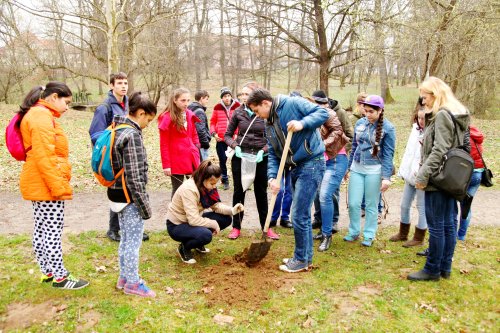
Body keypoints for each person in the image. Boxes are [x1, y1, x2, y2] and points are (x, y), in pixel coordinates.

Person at [247, 88, 328, 273]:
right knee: (302, 215)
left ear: (266, 103)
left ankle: (299, 259)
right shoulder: (269, 124)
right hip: (295, 167)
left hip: (312, 162)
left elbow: (323, 112)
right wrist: (272, 177)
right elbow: (275, 155)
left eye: (257, 111)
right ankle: (305, 258)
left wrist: (302, 123)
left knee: (299, 215)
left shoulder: (291, 103)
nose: (258, 116)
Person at [19, 82, 89, 289]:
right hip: (46, 184)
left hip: (40, 182)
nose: (67, 107)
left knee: (42, 229)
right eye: (66, 102)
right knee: (52, 230)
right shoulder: (41, 117)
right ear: (53, 97)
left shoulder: (38, 114)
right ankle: (60, 277)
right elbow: (44, 157)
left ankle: (47, 271)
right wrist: (58, 187)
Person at [408, 76, 470, 281]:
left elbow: (439, 150)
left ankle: (432, 269)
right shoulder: (458, 113)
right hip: (452, 177)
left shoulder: (442, 115)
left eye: (424, 97)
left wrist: (423, 175)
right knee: (448, 224)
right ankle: (445, 267)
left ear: (435, 95)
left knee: (437, 225)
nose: (423, 101)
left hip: (438, 177)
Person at [89, 73, 149, 242]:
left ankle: (133, 226)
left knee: (130, 188)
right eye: (119, 83)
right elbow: (96, 134)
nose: (123, 86)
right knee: (119, 189)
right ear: (111, 85)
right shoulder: (105, 107)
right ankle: (113, 229)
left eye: (125, 83)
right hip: (113, 155)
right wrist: (115, 140)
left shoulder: (129, 104)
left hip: (129, 151)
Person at [109, 92, 157, 297]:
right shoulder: (132, 135)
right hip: (130, 198)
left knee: (125, 238)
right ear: (140, 113)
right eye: (148, 119)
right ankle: (133, 283)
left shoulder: (116, 128)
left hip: (116, 193)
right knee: (133, 242)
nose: (148, 124)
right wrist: (145, 207)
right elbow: (135, 177)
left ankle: (124, 277)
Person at [166, 160, 244, 264]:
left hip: (191, 221)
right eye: (212, 183)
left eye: (216, 183)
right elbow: (193, 220)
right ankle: (184, 247)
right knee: (206, 235)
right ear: (204, 178)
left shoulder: (206, 185)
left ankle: (197, 243)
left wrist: (233, 210)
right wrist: (212, 223)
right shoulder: (189, 190)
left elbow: (216, 205)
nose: (214, 186)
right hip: (177, 225)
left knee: (226, 219)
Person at [224, 82, 274, 240]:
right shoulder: (237, 113)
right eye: (241, 94)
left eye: (247, 94)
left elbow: (273, 139)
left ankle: (267, 228)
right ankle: (236, 227)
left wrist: (263, 150)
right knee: (239, 192)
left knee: (261, 193)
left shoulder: (266, 113)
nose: (244, 97)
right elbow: (227, 135)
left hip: (260, 159)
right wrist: (235, 146)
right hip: (241, 158)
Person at [344, 95, 396, 247]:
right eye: (365, 111)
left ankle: (369, 234)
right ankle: (353, 231)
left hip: (375, 170)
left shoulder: (388, 128)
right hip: (357, 168)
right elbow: (354, 146)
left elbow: (388, 154)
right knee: (353, 203)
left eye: (371, 111)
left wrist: (386, 177)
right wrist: (348, 167)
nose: (367, 114)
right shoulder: (360, 123)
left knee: (371, 205)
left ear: (380, 111)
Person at [309, 90, 353, 246]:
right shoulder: (310, 119)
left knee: (325, 194)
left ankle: (327, 234)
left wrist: (324, 145)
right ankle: (323, 229)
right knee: (319, 194)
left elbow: (342, 133)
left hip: (336, 159)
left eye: (321, 104)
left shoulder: (330, 114)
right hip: (320, 161)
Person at [390, 98, 427, 247]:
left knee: (421, 207)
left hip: (422, 177)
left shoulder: (431, 133)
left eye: (424, 118)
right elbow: (409, 153)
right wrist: (403, 171)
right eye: (419, 118)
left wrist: (421, 174)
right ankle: (403, 233)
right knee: (404, 205)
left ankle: (419, 237)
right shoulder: (415, 130)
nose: (421, 121)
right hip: (409, 176)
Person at [159, 88, 201, 199]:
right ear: (175, 100)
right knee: (178, 189)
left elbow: (194, 134)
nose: (186, 103)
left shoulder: (189, 114)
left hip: (191, 157)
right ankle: (174, 214)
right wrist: (166, 165)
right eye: (183, 100)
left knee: (195, 187)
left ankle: (192, 213)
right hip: (176, 159)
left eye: (188, 100)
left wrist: (196, 146)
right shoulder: (167, 117)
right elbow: (164, 144)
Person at [456, 125, 485, 241]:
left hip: (465, 173)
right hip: (478, 174)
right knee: (466, 206)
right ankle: (461, 236)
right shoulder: (476, 134)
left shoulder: (462, 135)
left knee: (452, 203)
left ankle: (451, 232)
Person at [210, 87, 241, 190]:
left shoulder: (237, 106)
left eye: (228, 96)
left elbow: (240, 121)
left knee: (236, 160)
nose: (227, 98)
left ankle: (239, 181)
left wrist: (237, 133)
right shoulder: (217, 107)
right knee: (222, 159)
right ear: (222, 98)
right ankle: (225, 180)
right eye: (224, 96)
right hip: (221, 139)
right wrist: (214, 134)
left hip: (233, 139)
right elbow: (212, 122)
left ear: (231, 96)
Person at [189, 90, 211, 161]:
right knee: (203, 167)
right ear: (201, 98)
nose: (207, 101)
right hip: (201, 145)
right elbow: (200, 130)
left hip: (195, 143)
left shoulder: (191, 109)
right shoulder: (199, 111)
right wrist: (206, 144)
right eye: (206, 99)